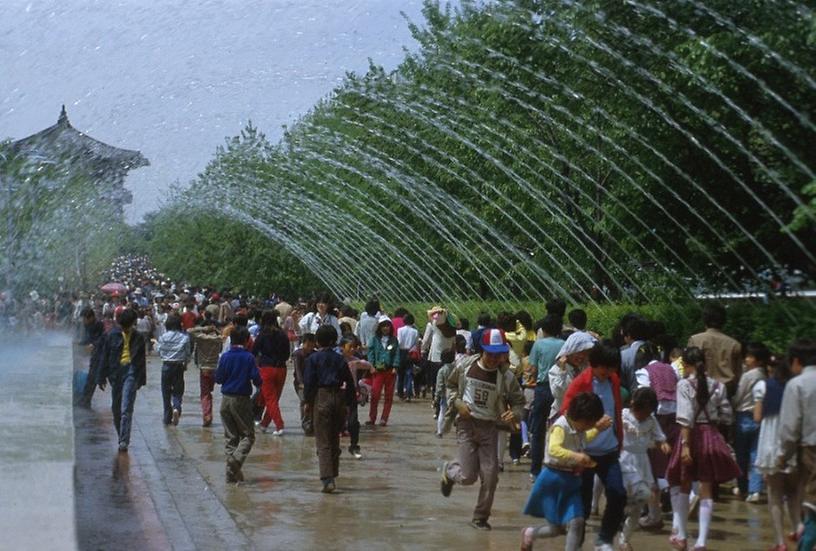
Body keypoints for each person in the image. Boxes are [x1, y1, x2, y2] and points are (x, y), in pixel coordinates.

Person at [440, 328, 526, 530]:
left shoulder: (507, 377)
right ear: (481, 351)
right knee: (468, 477)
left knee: (491, 476)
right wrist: (457, 403)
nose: (494, 359)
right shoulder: (464, 367)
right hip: (466, 425)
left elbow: (520, 403)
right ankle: (450, 471)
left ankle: (480, 517)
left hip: (490, 428)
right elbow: (450, 386)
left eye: (499, 354)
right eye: (490, 354)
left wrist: (514, 413)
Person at [665, 346, 740, 551]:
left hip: (690, 437)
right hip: (711, 436)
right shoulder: (718, 386)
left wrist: (686, 446)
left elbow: (685, 419)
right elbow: (727, 415)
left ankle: (680, 535)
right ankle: (701, 542)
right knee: (707, 489)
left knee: (683, 483)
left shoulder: (684, 385)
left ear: (686, 365)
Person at [521, 392, 610, 551]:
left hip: (571, 481)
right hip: (552, 480)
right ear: (581, 418)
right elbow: (554, 449)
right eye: (589, 423)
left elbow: (584, 438)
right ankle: (530, 533)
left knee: (577, 521)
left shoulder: (579, 427)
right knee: (557, 529)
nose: (589, 427)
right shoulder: (560, 426)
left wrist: (596, 429)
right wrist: (576, 456)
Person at [561, 342, 626, 551]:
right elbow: (566, 414)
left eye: (612, 367)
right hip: (584, 451)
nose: (608, 372)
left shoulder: (613, 380)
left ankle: (604, 539)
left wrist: (620, 438)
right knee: (583, 504)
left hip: (609, 450)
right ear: (594, 364)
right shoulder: (581, 383)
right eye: (605, 368)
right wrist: (592, 426)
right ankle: (575, 545)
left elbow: (616, 409)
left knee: (618, 493)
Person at [756, 355, 802, 551]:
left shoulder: (763, 386)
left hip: (770, 444)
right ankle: (800, 530)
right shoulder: (795, 387)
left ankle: (780, 542)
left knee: (775, 495)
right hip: (792, 441)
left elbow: (757, 417)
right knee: (794, 495)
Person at [303, 325, 356, 493]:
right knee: (334, 438)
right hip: (338, 397)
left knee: (323, 440)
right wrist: (349, 404)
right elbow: (349, 382)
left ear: (318, 341)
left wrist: (307, 402)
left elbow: (309, 383)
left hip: (322, 396)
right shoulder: (340, 359)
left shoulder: (313, 359)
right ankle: (333, 472)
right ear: (334, 341)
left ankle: (328, 479)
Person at [618, 387, 671, 551]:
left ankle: (624, 538)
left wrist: (663, 444)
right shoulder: (623, 415)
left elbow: (660, 437)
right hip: (624, 460)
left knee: (639, 503)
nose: (644, 416)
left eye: (648, 412)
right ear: (633, 405)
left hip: (642, 462)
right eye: (642, 412)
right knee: (623, 497)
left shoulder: (651, 420)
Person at [633, 342, 679, 529]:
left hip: (654, 420)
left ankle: (653, 514)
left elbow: (644, 397)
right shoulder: (670, 369)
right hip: (674, 419)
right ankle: (672, 513)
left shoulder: (644, 372)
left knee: (650, 468)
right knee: (667, 465)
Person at [777, 339, 816, 551]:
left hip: (811, 449)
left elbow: (790, 428)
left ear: (796, 361)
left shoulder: (797, 384)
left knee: (812, 506)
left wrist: (783, 454)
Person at [96, 308, 147, 453]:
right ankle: (121, 434)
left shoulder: (138, 337)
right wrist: (101, 377)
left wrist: (141, 379)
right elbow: (104, 357)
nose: (126, 328)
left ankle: (124, 440)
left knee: (126, 408)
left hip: (131, 372)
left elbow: (141, 360)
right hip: (116, 374)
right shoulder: (111, 336)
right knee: (116, 408)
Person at [215, 327, 261, 484]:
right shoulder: (248, 357)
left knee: (231, 437)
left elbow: (219, 378)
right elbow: (256, 379)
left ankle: (231, 474)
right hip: (241, 399)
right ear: (247, 340)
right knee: (248, 436)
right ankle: (235, 460)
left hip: (225, 399)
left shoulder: (225, 357)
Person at [528, 314, 566, 478]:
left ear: (544, 330)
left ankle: (535, 470)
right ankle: (555, 468)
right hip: (560, 388)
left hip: (543, 388)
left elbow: (532, 369)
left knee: (538, 430)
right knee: (559, 429)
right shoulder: (565, 345)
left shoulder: (538, 345)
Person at [732, 342, 769, 502]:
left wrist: (731, 406)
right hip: (760, 418)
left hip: (743, 417)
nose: (746, 359)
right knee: (756, 455)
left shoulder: (748, 375)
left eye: (749, 356)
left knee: (741, 455)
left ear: (758, 360)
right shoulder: (766, 375)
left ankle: (742, 487)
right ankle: (756, 490)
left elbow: (739, 395)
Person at [687, 303, 742, 396]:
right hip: (727, 391)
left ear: (704, 320)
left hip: (702, 390)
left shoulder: (695, 340)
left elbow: (689, 368)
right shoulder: (734, 344)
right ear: (724, 320)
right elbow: (738, 373)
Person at [252, 310, 291, 436]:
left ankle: (279, 425)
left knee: (270, 399)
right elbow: (287, 354)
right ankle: (264, 424)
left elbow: (254, 351)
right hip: (282, 369)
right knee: (274, 399)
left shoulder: (262, 334)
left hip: (266, 369)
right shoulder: (283, 334)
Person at [155, 314, 191, 426]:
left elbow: (159, 352)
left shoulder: (163, 337)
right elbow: (188, 354)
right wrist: (185, 363)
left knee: (165, 391)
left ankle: (167, 417)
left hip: (166, 366)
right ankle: (176, 407)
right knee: (178, 390)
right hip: (179, 366)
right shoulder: (185, 338)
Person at [340, 336, 370, 459]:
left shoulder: (355, 361)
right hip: (337, 392)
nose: (352, 349)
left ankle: (354, 446)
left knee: (353, 421)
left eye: (354, 347)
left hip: (351, 392)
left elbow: (368, 366)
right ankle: (333, 449)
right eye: (349, 347)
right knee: (336, 421)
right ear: (341, 348)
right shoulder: (336, 360)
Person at [367, 317, 401, 427]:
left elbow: (396, 353)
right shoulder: (374, 339)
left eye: (387, 326)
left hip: (390, 370)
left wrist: (395, 366)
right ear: (379, 327)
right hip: (378, 370)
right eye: (383, 326)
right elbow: (370, 353)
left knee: (388, 396)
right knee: (375, 395)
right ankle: (372, 418)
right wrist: (371, 365)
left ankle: (384, 418)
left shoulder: (394, 340)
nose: (385, 328)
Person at [188, 324, 223, 426]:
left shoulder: (201, 338)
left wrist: (203, 328)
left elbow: (190, 330)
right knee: (211, 392)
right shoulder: (218, 339)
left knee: (205, 394)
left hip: (204, 369)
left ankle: (207, 415)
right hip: (215, 368)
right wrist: (216, 329)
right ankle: (210, 414)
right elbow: (224, 336)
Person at [77, 307, 105, 408]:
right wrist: (80, 343)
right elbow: (89, 338)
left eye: (85, 319)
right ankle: (85, 400)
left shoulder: (99, 325)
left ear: (91, 317)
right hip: (95, 355)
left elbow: (101, 339)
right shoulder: (88, 325)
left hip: (101, 355)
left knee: (93, 379)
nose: (83, 321)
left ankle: (85, 401)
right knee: (91, 379)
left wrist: (94, 344)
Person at [291, 333, 317, 433]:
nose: (310, 348)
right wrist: (301, 383)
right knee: (304, 401)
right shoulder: (298, 354)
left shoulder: (315, 354)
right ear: (303, 343)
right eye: (308, 345)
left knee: (313, 403)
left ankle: (312, 422)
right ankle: (305, 423)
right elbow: (297, 370)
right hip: (300, 383)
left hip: (312, 383)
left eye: (312, 345)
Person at [397, 313, 420, 401]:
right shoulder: (415, 331)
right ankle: (408, 393)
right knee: (409, 373)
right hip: (410, 353)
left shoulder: (400, 330)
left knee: (400, 374)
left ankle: (400, 393)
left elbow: (399, 341)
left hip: (401, 352)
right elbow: (416, 344)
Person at [435, 349, 456, 438]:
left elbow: (439, 385)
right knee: (455, 414)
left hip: (444, 395)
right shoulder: (456, 369)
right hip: (455, 395)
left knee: (442, 413)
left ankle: (440, 431)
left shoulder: (442, 370)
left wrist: (437, 397)